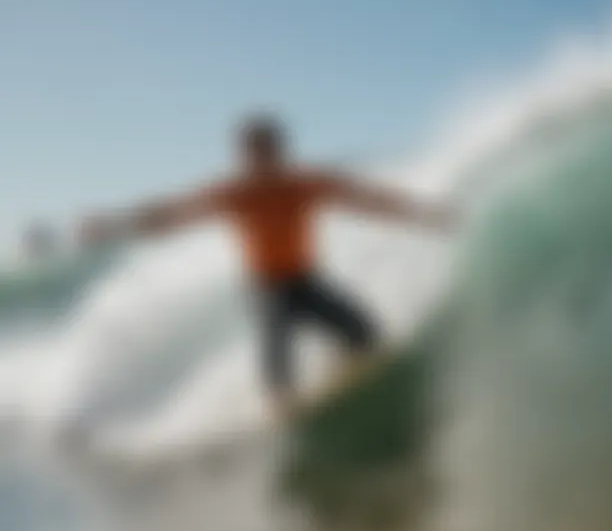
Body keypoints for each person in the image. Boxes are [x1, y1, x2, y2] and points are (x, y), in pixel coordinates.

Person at [79, 115, 455, 415]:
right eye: (253, 151)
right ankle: (280, 398)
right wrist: (112, 226)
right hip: (266, 285)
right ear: (243, 154)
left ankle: (338, 373)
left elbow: (367, 200)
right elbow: (170, 214)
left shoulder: (304, 182)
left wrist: (423, 214)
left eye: (268, 149)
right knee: (277, 342)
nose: (261, 158)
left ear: (281, 149)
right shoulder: (234, 191)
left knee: (366, 336)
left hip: (306, 279)